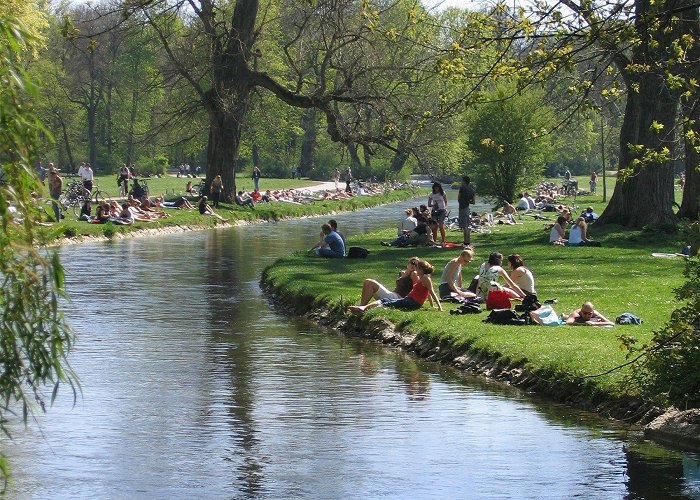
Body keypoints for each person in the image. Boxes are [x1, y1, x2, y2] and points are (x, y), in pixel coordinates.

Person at [349, 259, 442, 314]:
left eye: (416, 267)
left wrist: (439, 307)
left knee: (385, 302)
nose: (415, 268)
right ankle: (363, 309)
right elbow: (427, 293)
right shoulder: (422, 277)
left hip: (412, 301)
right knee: (386, 301)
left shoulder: (425, 278)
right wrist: (431, 305)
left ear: (421, 269)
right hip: (409, 299)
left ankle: (363, 309)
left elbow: (431, 292)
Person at [458, 176, 476, 247]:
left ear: (464, 181)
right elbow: (473, 202)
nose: (461, 182)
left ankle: (465, 242)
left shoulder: (462, 188)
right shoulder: (472, 190)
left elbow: (458, 198)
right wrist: (468, 201)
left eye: (461, 180)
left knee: (464, 226)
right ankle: (468, 241)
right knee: (467, 225)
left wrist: (462, 201)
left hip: (462, 208)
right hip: (467, 208)